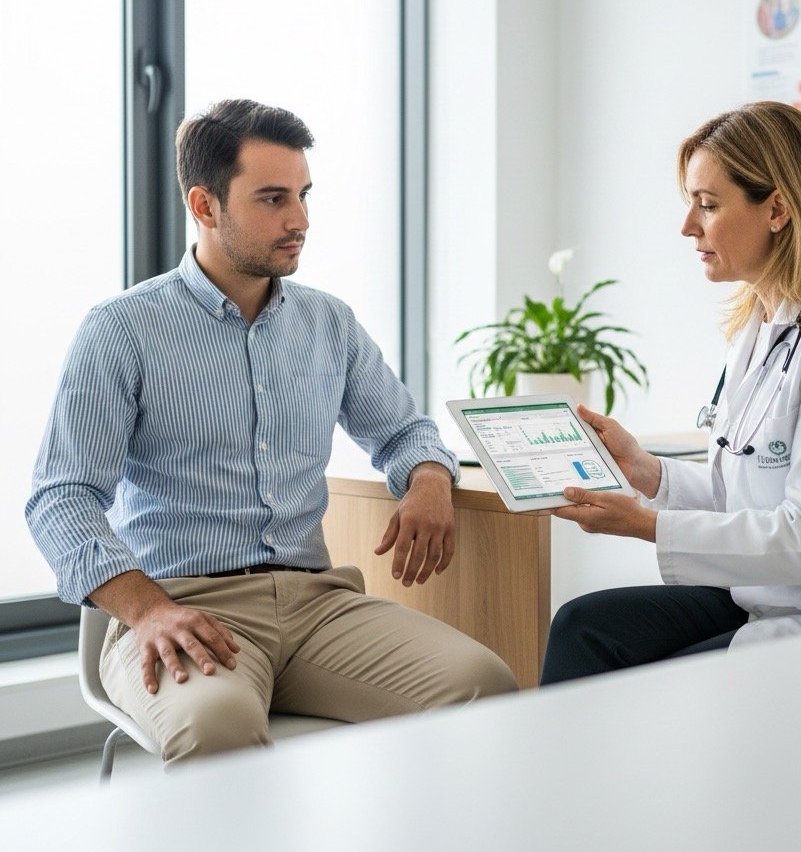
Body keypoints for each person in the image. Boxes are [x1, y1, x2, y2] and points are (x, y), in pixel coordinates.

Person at [26, 98, 517, 764]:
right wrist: (148, 610)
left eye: (305, 196)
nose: (300, 221)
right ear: (205, 206)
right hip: (185, 605)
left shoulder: (329, 323)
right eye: (273, 199)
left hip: (320, 606)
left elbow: (403, 430)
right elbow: (61, 497)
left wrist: (428, 478)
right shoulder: (121, 329)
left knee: (485, 686)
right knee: (217, 727)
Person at [540, 100, 801, 684]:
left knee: (653, 696)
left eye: (708, 206)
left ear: (778, 209)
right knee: (585, 628)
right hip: (780, 595)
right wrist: (645, 471)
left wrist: (645, 524)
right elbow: (742, 490)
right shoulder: (764, 328)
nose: (688, 226)